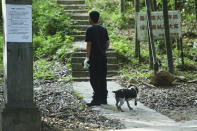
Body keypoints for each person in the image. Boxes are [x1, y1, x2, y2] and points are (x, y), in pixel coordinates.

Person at [84, 11, 110, 106]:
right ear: (98, 19)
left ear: (91, 19)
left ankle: (96, 99)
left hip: (94, 58)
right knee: (102, 78)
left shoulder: (89, 29)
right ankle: (103, 99)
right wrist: (103, 50)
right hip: (103, 57)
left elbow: (89, 45)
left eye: (89, 18)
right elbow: (107, 43)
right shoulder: (104, 29)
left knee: (94, 79)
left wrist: (87, 58)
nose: (88, 19)